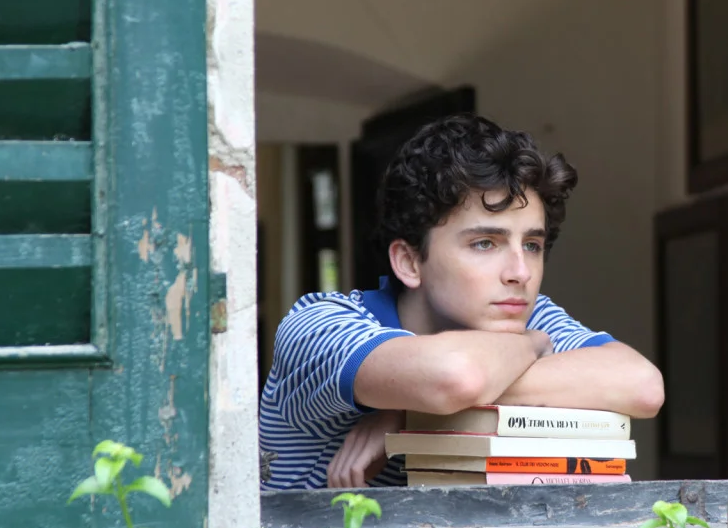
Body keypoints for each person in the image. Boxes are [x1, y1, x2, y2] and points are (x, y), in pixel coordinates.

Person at [258, 114, 664, 489]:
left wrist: (406, 412)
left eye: (532, 245)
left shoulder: (522, 313)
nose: (520, 273)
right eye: (485, 243)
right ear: (409, 262)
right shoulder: (319, 324)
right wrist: (532, 344)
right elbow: (456, 376)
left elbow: (642, 385)